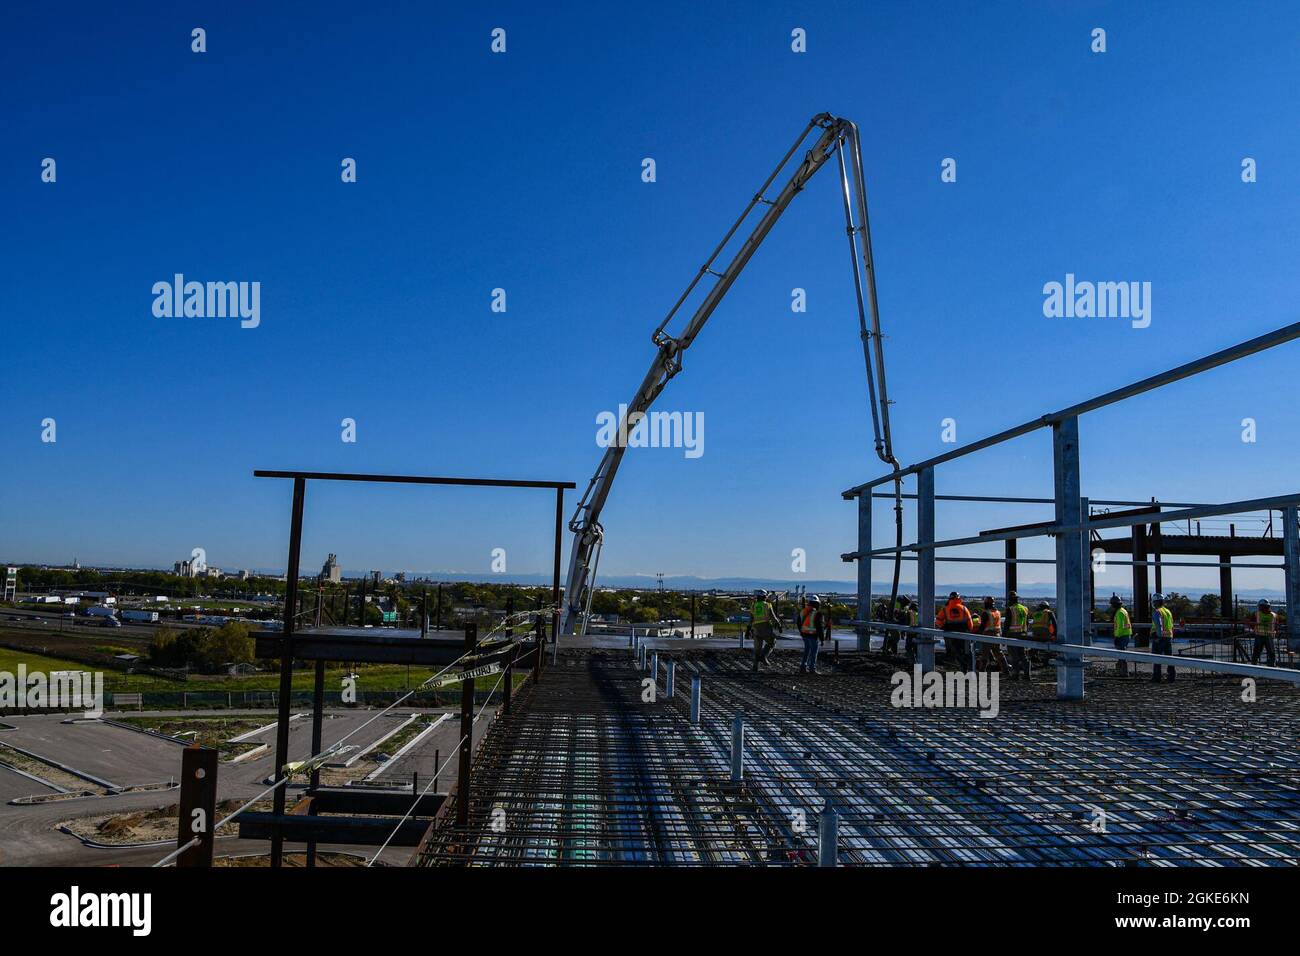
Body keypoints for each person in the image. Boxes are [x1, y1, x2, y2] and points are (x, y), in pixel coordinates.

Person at [798, 594, 831, 674]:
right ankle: (812, 669)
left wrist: (802, 632)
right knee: (813, 653)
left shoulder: (803, 611)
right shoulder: (818, 614)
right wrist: (822, 639)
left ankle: (803, 667)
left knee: (806, 651)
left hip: (805, 635)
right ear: (817, 603)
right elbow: (819, 628)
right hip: (813, 636)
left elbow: (799, 623)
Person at [940, 591, 974, 669]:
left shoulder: (945, 609)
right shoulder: (964, 608)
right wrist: (969, 630)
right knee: (967, 651)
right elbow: (970, 623)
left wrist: (944, 627)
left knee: (956, 651)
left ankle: (963, 667)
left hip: (951, 634)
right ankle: (970, 668)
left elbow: (938, 620)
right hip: (964, 634)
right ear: (959, 598)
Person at [976, 596, 1009, 674]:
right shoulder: (998, 612)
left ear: (986, 603)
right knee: (998, 653)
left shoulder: (986, 613)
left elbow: (982, 626)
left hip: (988, 635)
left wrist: (977, 634)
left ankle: (982, 670)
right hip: (997, 635)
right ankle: (1006, 670)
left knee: (985, 654)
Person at [751, 589, 781, 666]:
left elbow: (751, 617)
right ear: (765, 596)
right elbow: (773, 617)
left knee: (757, 648)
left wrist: (749, 628)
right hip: (765, 627)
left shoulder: (754, 605)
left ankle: (755, 666)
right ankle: (764, 656)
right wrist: (778, 624)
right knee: (772, 642)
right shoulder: (767, 605)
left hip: (755, 628)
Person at [1005, 591, 1031, 680]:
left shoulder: (1010, 609)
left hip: (1013, 634)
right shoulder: (1025, 608)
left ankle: (1015, 675)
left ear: (1010, 600)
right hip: (1023, 634)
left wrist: (1004, 636)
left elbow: (1007, 623)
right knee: (1023, 655)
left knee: (1014, 655)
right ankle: (1027, 674)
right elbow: (1027, 622)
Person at [1151, 593, 1176, 683]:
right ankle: (1171, 676)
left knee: (1157, 658)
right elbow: (1172, 625)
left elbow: (1158, 625)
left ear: (1155, 602)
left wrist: (1158, 636)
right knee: (1169, 658)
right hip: (1168, 636)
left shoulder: (1157, 611)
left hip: (1160, 638)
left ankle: (1157, 677)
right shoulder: (1167, 611)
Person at [1109, 594, 1133, 677]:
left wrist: (1117, 637)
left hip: (1122, 636)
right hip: (1125, 635)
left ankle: (1123, 672)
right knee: (1122, 655)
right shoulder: (1123, 610)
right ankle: (1121, 671)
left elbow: (1120, 626)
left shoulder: (1119, 613)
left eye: (1112, 604)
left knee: (1122, 655)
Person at [1251, 599, 1277, 666]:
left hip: (1260, 635)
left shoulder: (1257, 614)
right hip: (1269, 636)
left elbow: (1251, 624)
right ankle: (1272, 664)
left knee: (1257, 651)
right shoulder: (1273, 615)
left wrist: (1254, 628)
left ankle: (1254, 664)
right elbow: (1276, 625)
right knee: (1271, 651)